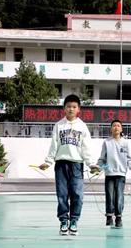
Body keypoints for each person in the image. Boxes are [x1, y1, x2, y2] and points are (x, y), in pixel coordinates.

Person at [39, 94, 98, 236]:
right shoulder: (58, 125)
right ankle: (64, 221)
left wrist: (91, 164)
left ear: (78, 109)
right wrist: (48, 161)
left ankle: (74, 220)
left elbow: (86, 147)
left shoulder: (82, 127)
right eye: (68, 107)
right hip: (60, 164)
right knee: (62, 194)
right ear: (64, 109)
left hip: (77, 164)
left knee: (77, 194)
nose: (71, 109)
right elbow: (54, 145)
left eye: (74, 107)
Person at [97, 119, 131, 228]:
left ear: (121, 129)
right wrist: (98, 167)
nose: (116, 127)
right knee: (109, 196)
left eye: (118, 126)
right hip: (109, 174)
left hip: (121, 174)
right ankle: (109, 217)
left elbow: (128, 159)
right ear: (111, 129)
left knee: (119, 196)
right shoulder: (106, 142)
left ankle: (118, 217)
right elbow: (102, 159)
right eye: (114, 126)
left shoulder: (125, 143)